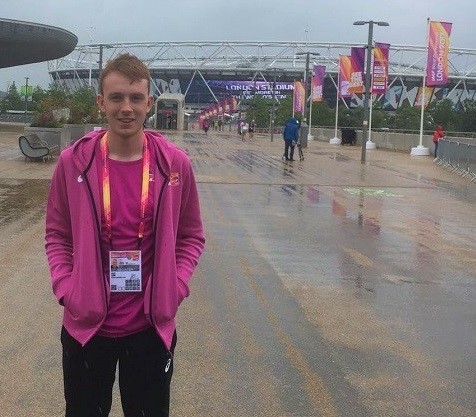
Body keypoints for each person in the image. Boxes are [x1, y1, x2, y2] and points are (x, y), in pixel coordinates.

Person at [45, 53, 205, 417]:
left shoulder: (174, 165)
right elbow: (58, 234)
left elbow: (191, 236)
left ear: (150, 103)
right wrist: (66, 289)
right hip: (87, 328)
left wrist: (175, 287)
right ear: (101, 102)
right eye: (116, 98)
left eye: (135, 98)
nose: (126, 108)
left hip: (150, 328)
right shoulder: (74, 163)